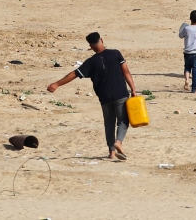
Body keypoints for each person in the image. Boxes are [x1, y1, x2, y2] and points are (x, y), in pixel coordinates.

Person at [47, 32, 137, 160]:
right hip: (120, 94)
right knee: (123, 121)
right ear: (102, 40)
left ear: (90, 46)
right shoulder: (115, 54)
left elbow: (74, 74)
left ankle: (112, 153)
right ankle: (118, 142)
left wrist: (56, 84)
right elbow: (126, 72)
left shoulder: (90, 62)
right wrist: (133, 89)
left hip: (104, 97)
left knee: (109, 124)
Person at [179, 10, 196, 93]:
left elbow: (180, 35)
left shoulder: (187, 28)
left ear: (190, 18)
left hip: (187, 52)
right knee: (195, 70)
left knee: (187, 68)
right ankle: (194, 88)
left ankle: (187, 80)